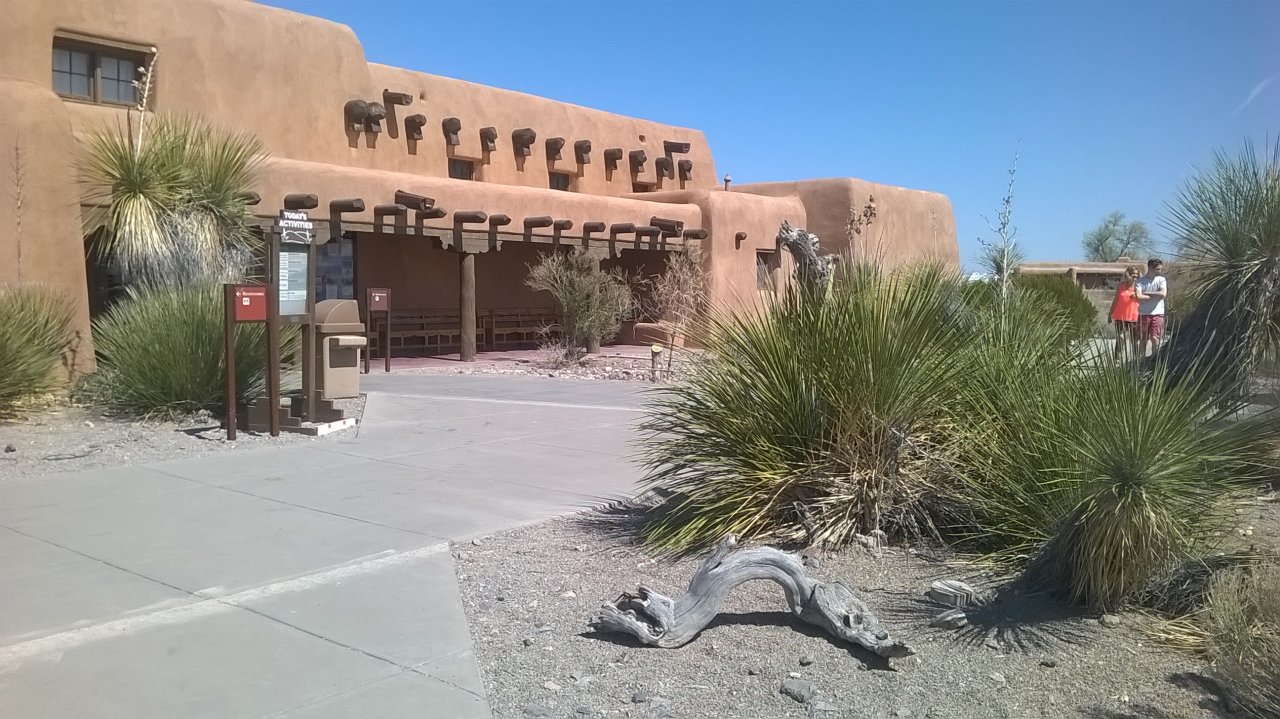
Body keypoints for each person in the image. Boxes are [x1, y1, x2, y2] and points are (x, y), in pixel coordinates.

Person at [1134, 258, 1168, 358]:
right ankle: (1141, 360)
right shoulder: (1140, 281)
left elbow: (1163, 294)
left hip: (1157, 313)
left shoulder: (1161, 280)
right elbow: (1138, 296)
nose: (1159, 271)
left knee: (1155, 338)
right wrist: (1155, 296)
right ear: (1150, 268)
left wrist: (1147, 294)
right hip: (1144, 313)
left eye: (1160, 269)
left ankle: (1154, 359)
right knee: (1143, 338)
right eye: (1157, 269)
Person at [1108, 265, 1141, 361]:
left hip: (1134, 316)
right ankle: (1117, 359)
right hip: (1120, 316)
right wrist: (1110, 313)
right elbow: (1116, 299)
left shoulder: (1139, 286)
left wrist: (1138, 296)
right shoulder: (1121, 286)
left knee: (1135, 340)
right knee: (1121, 338)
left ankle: (1137, 360)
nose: (1135, 277)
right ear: (1128, 274)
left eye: (1136, 275)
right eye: (1133, 274)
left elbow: (1145, 299)